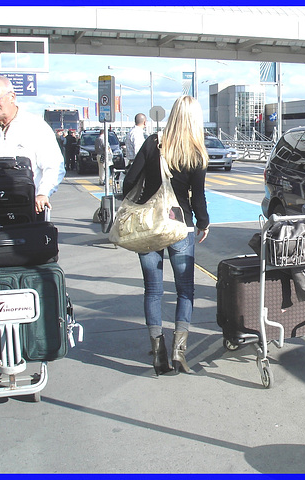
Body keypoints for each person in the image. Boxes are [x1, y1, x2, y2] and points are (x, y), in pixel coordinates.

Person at [122, 95, 210, 376]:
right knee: (185, 290)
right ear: (195, 119)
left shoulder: (152, 143)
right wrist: (203, 223)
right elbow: (198, 198)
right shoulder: (197, 153)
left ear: (172, 115)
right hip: (180, 226)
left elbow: (128, 182)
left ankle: (158, 353)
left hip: (149, 225)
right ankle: (179, 353)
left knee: (153, 289)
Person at [0, 75, 65, 217]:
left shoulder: (35, 126)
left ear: (12, 97)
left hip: (29, 208)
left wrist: (43, 193)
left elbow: (54, 166)